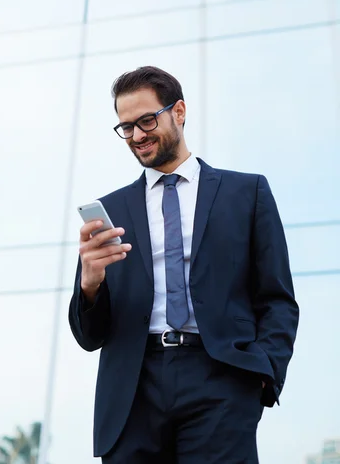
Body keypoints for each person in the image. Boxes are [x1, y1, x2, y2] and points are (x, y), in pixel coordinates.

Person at [69, 65, 299, 463]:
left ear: (178, 112)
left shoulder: (247, 192)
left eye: (146, 120)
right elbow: (90, 336)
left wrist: (263, 374)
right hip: (131, 391)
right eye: (126, 127)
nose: (137, 135)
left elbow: (277, 298)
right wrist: (90, 285)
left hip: (222, 380)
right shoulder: (111, 210)